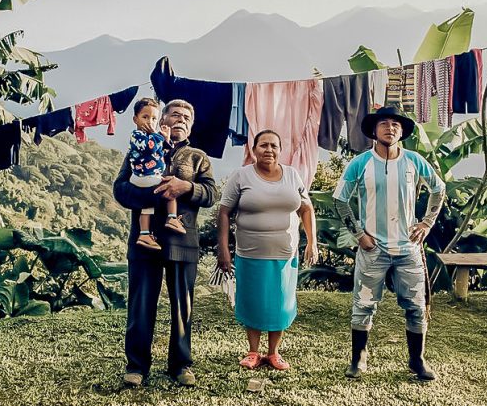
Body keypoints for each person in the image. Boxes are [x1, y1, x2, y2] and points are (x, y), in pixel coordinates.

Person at [332, 105, 445, 382]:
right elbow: (340, 199)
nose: (390, 128)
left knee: (416, 306)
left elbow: (438, 189)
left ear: (402, 131)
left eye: (395, 124)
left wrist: (427, 223)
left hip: (408, 249)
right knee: (363, 305)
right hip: (374, 249)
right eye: (384, 123)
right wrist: (359, 234)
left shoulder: (414, 161)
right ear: (374, 129)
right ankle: (358, 358)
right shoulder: (360, 163)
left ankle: (416, 360)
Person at [113, 99, 218, 387]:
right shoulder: (139, 148)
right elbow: (120, 190)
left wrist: (186, 187)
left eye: (186, 116)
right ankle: (136, 366)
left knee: (183, 307)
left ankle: (181, 365)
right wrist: (155, 192)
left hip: (183, 243)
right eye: (175, 114)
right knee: (140, 306)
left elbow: (211, 194)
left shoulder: (198, 157)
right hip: (143, 242)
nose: (180, 119)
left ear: (191, 124)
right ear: (163, 119)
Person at [217, 129, 318, 371]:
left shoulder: (293, 176)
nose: (269, 150)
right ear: (254, 149)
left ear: (280, 150)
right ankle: (253, 352)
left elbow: (306, 209)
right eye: (263, 145)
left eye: (274, 145)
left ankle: (273, 353)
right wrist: (223, 248)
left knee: (280, 303)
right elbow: (223, 212)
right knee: (252, 302)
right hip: (250, 253)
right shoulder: (241, 176)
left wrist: (312, 242)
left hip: (285, 254)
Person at [127, 98, 186, 250]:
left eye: (153, 118)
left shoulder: (153, 136)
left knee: (146, 207)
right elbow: (150, 147)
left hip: (147, 179)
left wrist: (165, 138)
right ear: (135, 119)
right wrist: (157, 134)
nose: (149, 121)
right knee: (170, 190)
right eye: (145, 117)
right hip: (144, 176)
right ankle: (172, 218)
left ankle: (144, 234)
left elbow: (163, 149)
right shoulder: (137, 135)